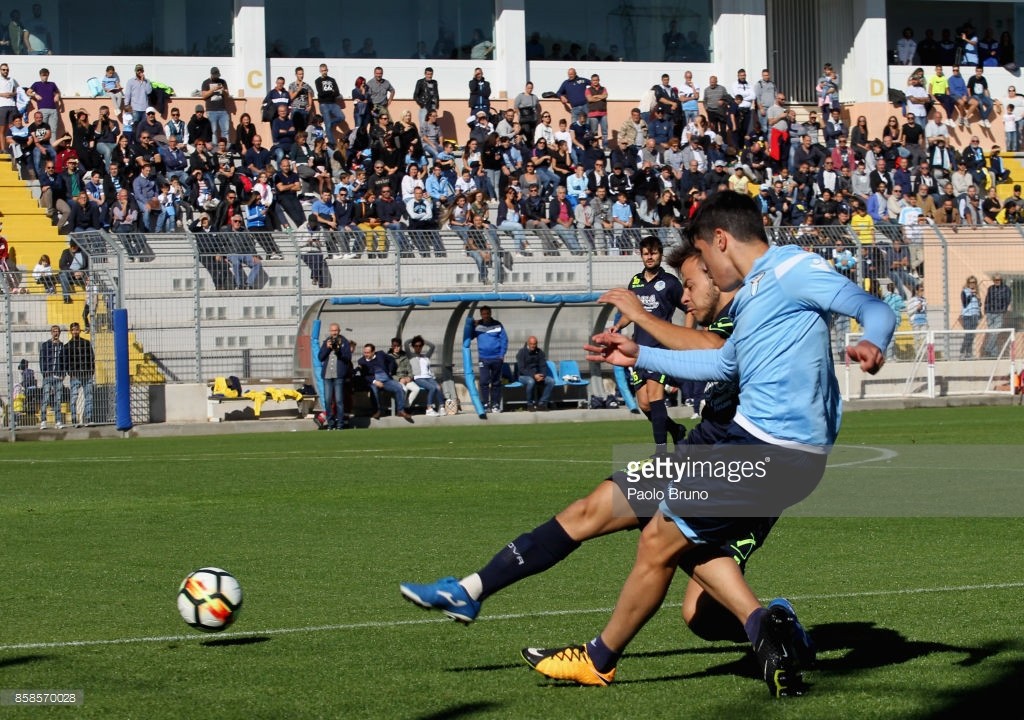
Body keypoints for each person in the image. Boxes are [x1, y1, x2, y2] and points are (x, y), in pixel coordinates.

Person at [518, 191, 894, 697]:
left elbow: (871, 306)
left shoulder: (792, 270)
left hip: (763, 449)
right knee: (674, 541)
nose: (705, 275)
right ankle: (766, 631)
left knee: (659, 540)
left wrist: (874, 340)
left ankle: (601, 659)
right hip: (778, 453)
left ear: (720, 240)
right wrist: (639, 357)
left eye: (702, 256)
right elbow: (722, 364)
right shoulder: (755, 294)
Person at [400, 245, 760, 647]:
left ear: (716, 273)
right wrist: (639, 355)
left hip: (740, 475)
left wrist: (643, 324)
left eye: (689, 285)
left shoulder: (750, 314)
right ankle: (469, 590)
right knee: (587, 512)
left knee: (700, 616)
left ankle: (775, 629)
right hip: (693, 458)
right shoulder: (719, 319)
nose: (684, 298)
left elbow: (716, 352)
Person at [609, 236, 686, 454]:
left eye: (653, 253)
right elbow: (630, 313)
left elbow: (689, 307)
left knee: (655, 397)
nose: (649, 257)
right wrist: (618, 326)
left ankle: (661, 452)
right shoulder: (635, 282)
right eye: (646, 253)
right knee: (644, 404)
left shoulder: (670, 282)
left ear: (660, 254)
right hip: (638, 350)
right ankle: (676, 430)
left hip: (660, 348)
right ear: (641, 255)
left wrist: (686, 333)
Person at [465, 305, 508, 414]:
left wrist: (502, 354)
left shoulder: (498, 324)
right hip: (483, 358)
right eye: (483, 314)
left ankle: (495, 404)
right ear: (481, 314)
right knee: (484, 381)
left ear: (490, 313)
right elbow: (470, 336)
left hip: (496, 358)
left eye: (487, 313)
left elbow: (504, 340)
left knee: (496, 382)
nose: (485, 316)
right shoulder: (478, 325)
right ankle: (485, 404)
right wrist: (471, 325)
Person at [357, 343, 413, 422]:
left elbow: (392, 360)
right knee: (373, 390)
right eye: (364, 352)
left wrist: (390, 371)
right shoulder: (361, 361)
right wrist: (374, 381)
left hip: (386, 380)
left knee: (399, 387)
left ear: (373, 352)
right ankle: (377, 411)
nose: (365, 354)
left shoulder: (381, 354)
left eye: (368, 352)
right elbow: (364, 375)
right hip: (374, 381)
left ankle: (400, 410)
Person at [318, 323, 351, 430]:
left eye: (336, 330)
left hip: (338, 375)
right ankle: (330, 423)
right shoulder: (327, 342)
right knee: (327, 400)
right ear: (330, 331)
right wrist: (327, 348)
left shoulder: (344, 342)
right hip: (327, 375)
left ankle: (340, 424)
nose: (334, 333)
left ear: (339, 331)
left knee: (339, 400)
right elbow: (320, 357)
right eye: (332, 331)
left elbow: (348, 358)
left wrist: (338, 351)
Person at [64, 321, 94, 427]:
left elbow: (92, 357)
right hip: (75, 375)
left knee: (89, 397)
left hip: (86, 374)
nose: (75, 332)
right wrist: (70, 373)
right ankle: (74, 420)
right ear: (70, 331)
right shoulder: (67, 346)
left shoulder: (86, 343)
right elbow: (65, 361)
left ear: (79, 330)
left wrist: (91, 371)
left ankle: (88, 418)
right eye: (73, 330)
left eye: (77, 329)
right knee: (73, 398)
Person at [515, 336, 555, 411]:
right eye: (531, 344)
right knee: (531, 381)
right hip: (523, 376)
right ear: (528, 343)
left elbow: (543, 366)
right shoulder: (522, 352)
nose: (533, 346)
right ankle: (530, 404)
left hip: (537, 375)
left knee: (551, 381)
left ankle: (542, 403)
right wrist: (534, 375)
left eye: (534, 344)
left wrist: (542, 375)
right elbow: (521, 369)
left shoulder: (540, 352)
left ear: (537, 344)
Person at [38, 324, 66, 430]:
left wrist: (63, 374)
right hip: (48, 375)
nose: (56, 333)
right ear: (51, 332)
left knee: (58, 399)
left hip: (58, 376)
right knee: (45, 398)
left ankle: (58, 421)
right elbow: (42, 359)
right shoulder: (46, 345)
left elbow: (64, 360)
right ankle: (43, 421)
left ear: (60, 333)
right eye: (54, 331)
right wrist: (44, 372)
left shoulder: (62, 346)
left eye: (57, 331)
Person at [982, 275, 1012, 357]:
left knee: (995, 332)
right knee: (992, 333)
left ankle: (987, 348)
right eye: (995, 280)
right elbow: (987, 299)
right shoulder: (990, 288)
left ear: (1001, 280)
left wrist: (1003, 309)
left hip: (999, 313)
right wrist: (986, 309)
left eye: (998, 280)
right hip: (989, 313)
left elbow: (1008, 300)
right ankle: (993, 354)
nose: (996, 281)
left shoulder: (1006, 289)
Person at [959, 276, 981, 359]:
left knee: (972, 335)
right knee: (968, 334)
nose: (972, 284)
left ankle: (969, 353)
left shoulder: (977, 292)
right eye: (971, 282)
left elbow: (979, 305)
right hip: (967, 316)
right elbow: (965, 303)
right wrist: (971, 294)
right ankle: (962, 352)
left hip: (975, 315)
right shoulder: (964, 291)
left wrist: (979, 299)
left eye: (974, 282)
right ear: (968, 283)